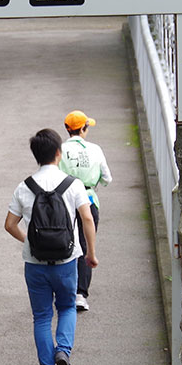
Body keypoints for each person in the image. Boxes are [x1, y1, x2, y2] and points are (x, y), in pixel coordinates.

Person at [4, 128, 98, 365]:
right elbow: (87, 219)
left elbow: (10, 224)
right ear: (58, 153)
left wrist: (30, 242)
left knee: (42, 317)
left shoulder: (24, 187)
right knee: (67, 307)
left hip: (35, 265)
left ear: (36, 155)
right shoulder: (73, 184)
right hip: (67, 261)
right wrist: (91, 253)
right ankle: (63, 352)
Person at [59, 111, 112, 313]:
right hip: (88, 199)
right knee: (85, 244)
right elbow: (107, 178)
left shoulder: (60, 150)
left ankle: (64, 290)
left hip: (64, 200)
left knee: (65, 243)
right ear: (83, 129)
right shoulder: (95, 149)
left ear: (67, 129)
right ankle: (81, 293)